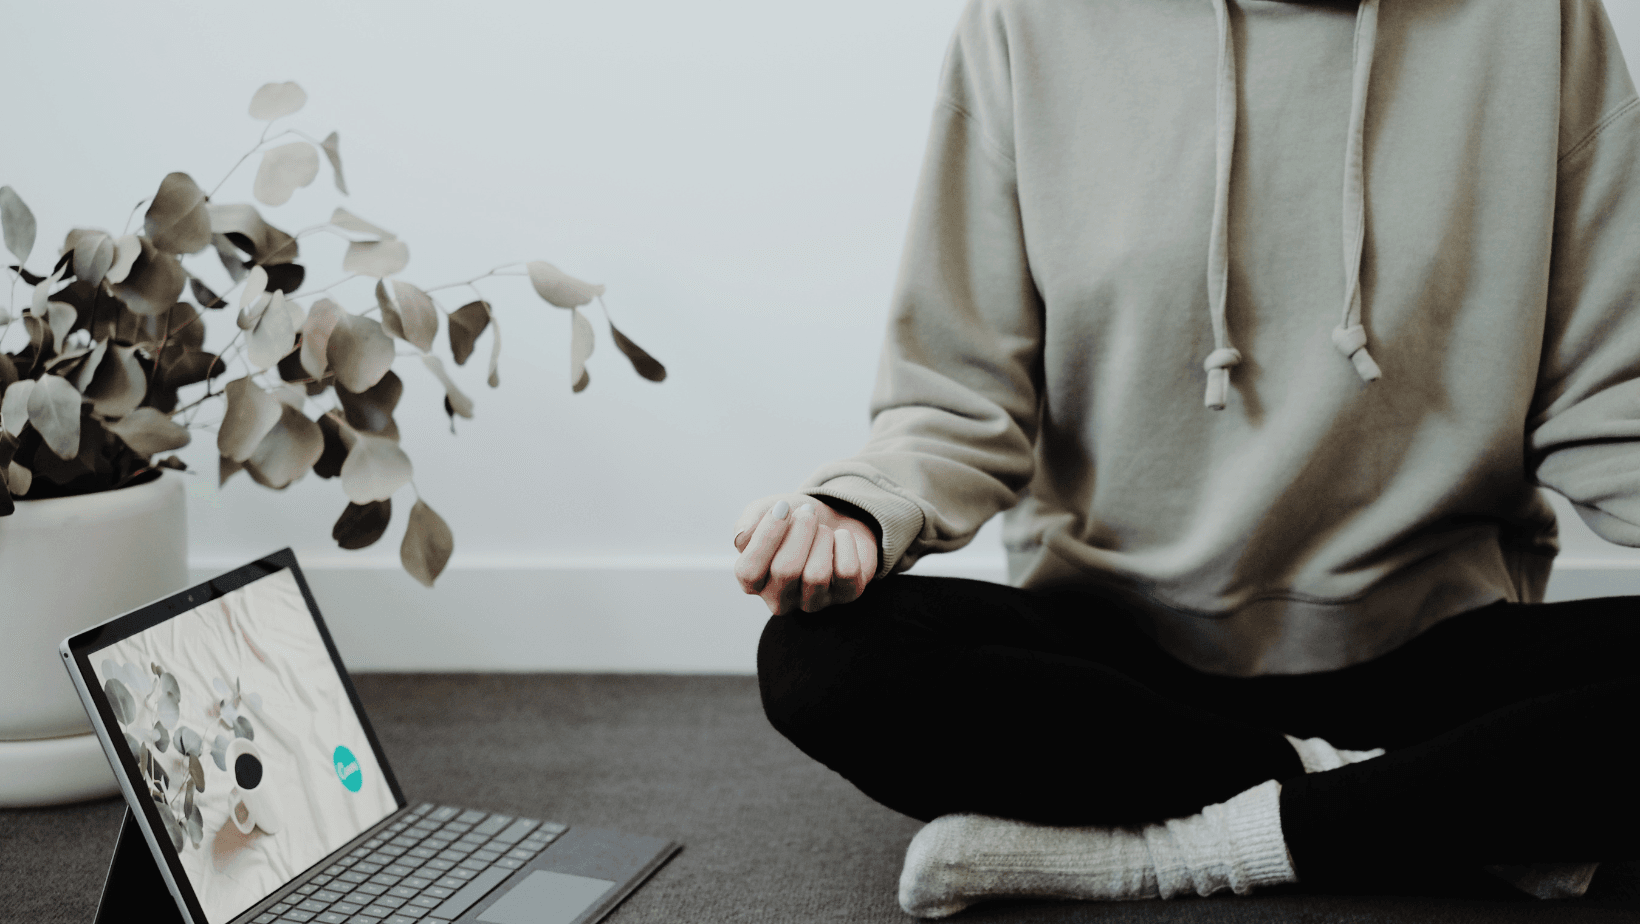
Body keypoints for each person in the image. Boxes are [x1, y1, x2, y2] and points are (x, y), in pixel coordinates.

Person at [732, 0, 1640, 916]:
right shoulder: (1024, 22)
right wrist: (857, 508)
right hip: (1126, 666)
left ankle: (1182, 851)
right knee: (827, 661)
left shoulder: (1540, 19)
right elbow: (959, 395)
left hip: (1432, 647)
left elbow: (1613, 388)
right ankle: (1425, 802)